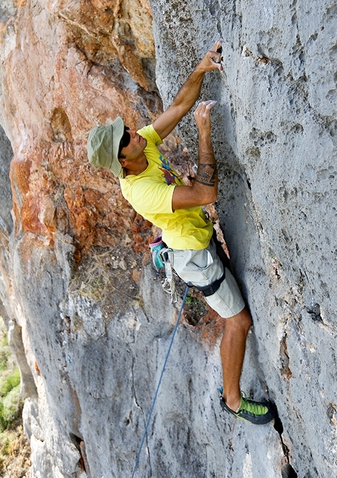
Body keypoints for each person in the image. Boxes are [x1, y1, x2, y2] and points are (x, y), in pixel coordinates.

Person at [87, 40, 274, 425]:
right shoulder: (141, 190)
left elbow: (178, 107)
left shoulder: (141, 148)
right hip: (194, 257)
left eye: (126, 129)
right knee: (238, 321)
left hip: (196, 238)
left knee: (234, 306)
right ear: (122, 161)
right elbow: (206, 193)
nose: (133, 133)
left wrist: (202, 68)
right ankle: (234, 401)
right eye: (126, 138)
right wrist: (204, 132)